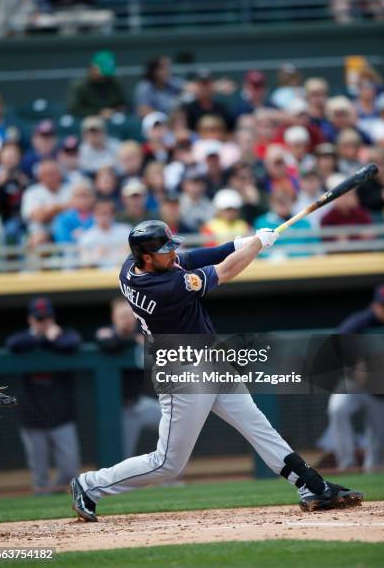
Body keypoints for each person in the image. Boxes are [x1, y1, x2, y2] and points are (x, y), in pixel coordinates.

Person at [70, 219, 362, 521]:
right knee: (167, 463)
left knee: (258, 426)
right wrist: (258, 246)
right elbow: (226, 271)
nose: (173, 254)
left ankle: (310, 484)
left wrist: (242, 242)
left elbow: (193, 258)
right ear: (147, 257)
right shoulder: (164, 286)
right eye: (165, 250)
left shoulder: (132, 267)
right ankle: (89, 485)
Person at [7, 297, 81, 494]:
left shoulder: (63, 335)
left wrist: (53, 337)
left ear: (52, 318)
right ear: (31, 319)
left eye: (46, 318)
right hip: (32, 416)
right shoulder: (23, 338)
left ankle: (56, 500)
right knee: (39, 475)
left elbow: (72, 343)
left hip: (61, 415)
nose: (43, 322)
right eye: (39, 318)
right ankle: (42, 509)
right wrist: (38, 336)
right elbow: (12, 344)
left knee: (68, 470)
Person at [327, 285, 384, 472]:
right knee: (337, 409)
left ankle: (373, 469)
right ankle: (346, 464)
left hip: (383, 389)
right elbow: (338, 340)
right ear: (374, 305)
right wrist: (355, 362)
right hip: (356, 384)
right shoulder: (363, 321)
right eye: (382, 305)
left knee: (378, 444)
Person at [95, 298, 162, 459]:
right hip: (119, 410)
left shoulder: (143, 332)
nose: (126, 320)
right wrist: (133, 340)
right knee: (121, 457)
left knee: (175, 422)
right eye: (122, 316)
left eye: (129, 315)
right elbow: (110, 343)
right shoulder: (107, 333)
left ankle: (172, 477)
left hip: (140, 403)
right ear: (114, 318)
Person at [68, 51, 126, 118]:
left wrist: (115, 111)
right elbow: (73, 109)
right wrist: (98, 112)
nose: (104, 77)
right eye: (102, 74)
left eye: (106, 75)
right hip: (87, 119)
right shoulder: (80, 85)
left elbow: (124, 104)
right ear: (92, 68)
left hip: (112, 118)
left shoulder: (115, 82)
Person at [78, 198, 131, 268]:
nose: (103, 217)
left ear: (113, 214)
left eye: (106, 213)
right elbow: (84, 265)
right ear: (94, 215)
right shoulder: (86, 237)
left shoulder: (126, 231)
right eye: (100, 213)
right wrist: (95, 257)